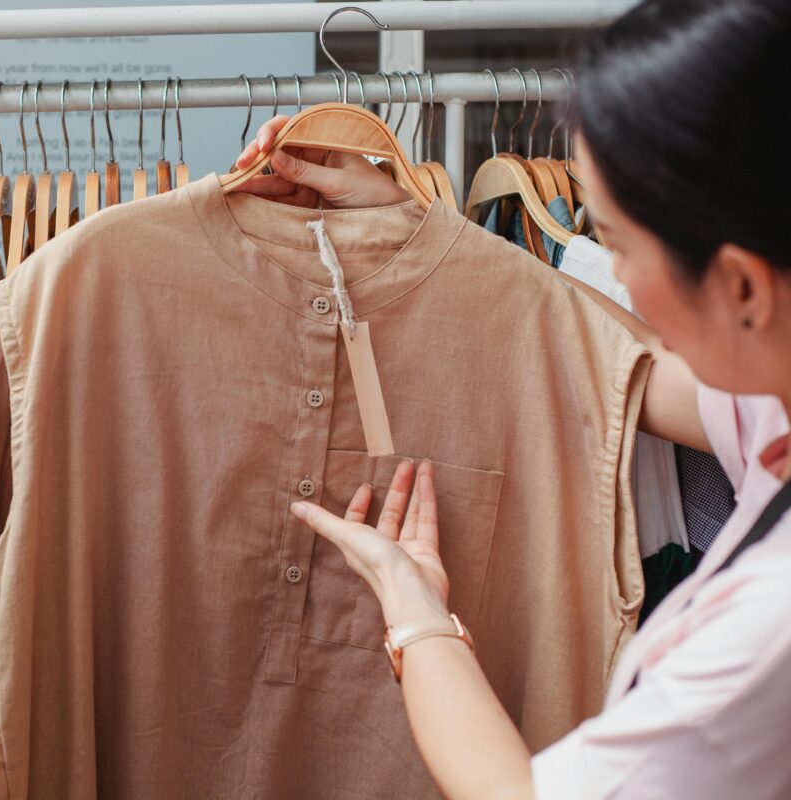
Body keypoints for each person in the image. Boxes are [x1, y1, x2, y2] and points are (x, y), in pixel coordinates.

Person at [235, 0, 791, 796]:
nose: (613, 277)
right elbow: (646, 366)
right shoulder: (773, 397)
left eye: (620, 246)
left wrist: (412, 604)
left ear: (739, 284)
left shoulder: (767, 633)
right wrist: (419, 234)